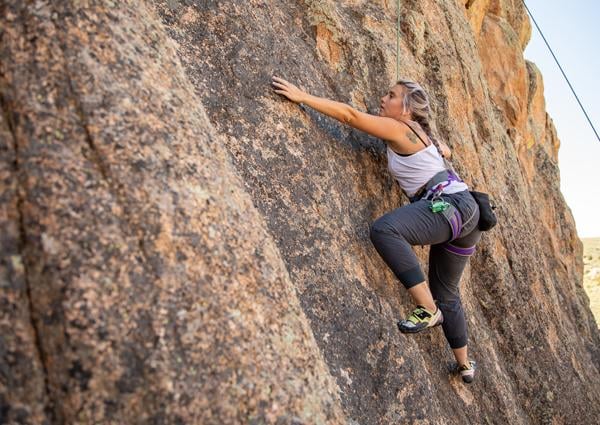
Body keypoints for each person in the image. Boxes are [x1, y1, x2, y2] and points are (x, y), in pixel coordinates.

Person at [271, 75, 479, 383]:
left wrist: (303, 97)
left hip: (449, 208)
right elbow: (445, 152)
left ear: (406, 109)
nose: (383, 99)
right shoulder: (424, 135)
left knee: (385, 230)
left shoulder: (400, 127)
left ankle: (427, 309)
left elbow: (350, 116)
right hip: (465, 213)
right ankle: (465, 365)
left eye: (391, 95)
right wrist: (443, 151)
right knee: (447, 292)